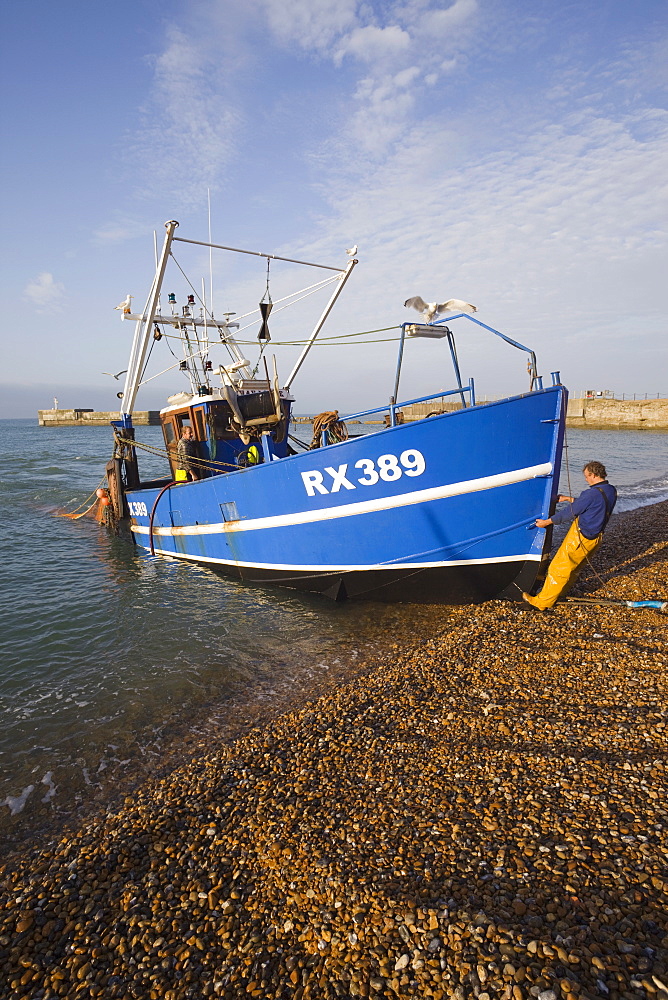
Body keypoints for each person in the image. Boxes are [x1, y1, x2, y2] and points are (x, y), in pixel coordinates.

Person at [522, 461, 617, 610]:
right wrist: (568, 498)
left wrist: (547, 522)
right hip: (596, 537)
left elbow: (570, 513)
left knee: (558, 569)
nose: (586, 479)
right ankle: (558, 593)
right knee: (574, 568)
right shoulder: (610, 490)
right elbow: (593, 504)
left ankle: (541, 603)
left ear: (593, 475)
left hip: (581, 538)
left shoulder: (591, 494)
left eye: (586, 476)